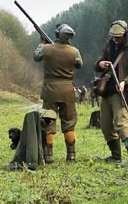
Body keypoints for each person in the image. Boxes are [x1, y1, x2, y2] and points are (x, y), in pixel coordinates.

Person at [94, 19, 128, 167]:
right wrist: (100, 64)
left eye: (118, 37)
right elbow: (100, 64)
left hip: (122, 92)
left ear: (125, 34)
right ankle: (116, 156)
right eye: (113, 36)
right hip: (107, 91)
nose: (115, 39)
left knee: (121, 122)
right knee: (106, 125)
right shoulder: (110, 45)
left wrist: (124, 82)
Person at [34, 24, 83, 162]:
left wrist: (42, 43)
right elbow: (79, 64)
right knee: (69, 123)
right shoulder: (75, 51)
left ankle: (48, 155)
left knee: (49, 122)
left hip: (50, 91)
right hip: (67, 91)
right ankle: (71, 154)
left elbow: (36, 56)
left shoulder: (46, 48)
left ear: (57, 34)